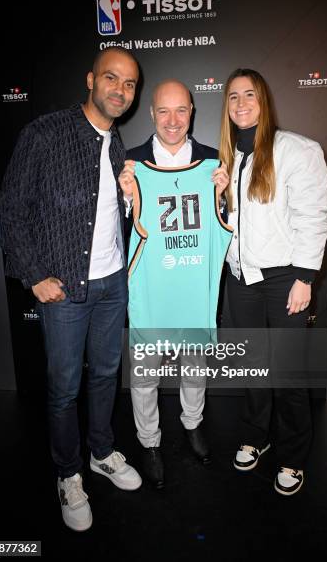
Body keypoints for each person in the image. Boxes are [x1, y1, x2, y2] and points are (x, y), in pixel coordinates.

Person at [0, 48, 142, 532]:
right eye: (111, 78)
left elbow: (109, 219)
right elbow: (13, 210)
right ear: (90, 79)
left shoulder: (119, 143)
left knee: (105, 376)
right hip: (64, 290)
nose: (120, 90)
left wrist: (128, 201)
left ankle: (101, 452)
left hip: (112, 283)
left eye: (129, 83)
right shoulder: (45, 133)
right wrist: (33, 274)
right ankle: (68, 473)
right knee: (63, 390)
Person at [219, 68, 327, 495]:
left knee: (286, 373)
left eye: (250, 95)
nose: (241, 103)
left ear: (264, 101)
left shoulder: (297, 150)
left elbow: (314, 216)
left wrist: (305, 278)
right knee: (252, 367)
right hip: (241, 278)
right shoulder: (225, 159)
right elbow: (229, 225)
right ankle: (257, 435)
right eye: (233, 97)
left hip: (285, 277)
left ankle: (293, 455)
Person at [118, 79, 229, 488]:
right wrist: (127, 196)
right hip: (150, 294)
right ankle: (149, 442)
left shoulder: (213, 164)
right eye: (164, 111)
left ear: (192, 112)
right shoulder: (129, 165)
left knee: (194, 367)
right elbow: (113, 233)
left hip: (192, 293)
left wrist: (223, 196)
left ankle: (192, 423)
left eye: (181, 110)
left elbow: (227, 224)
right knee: (145, 375)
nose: (172, 120)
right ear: (151, 114)